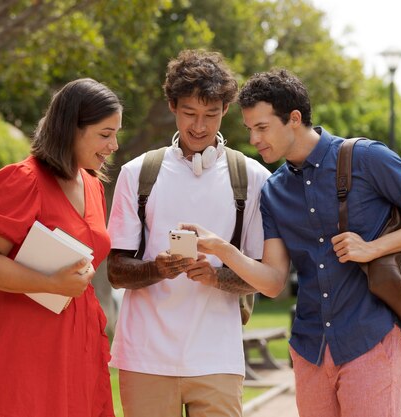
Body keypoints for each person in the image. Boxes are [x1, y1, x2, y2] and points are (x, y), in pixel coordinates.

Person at [181, 69, 401, 417]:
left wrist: (373, 248)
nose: (253, 138)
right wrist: (223, 249)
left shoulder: (366, 158)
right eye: (250, 128)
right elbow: (272, 281)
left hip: (368, 338)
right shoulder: (274, 190)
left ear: (294, 119)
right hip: (309, 347)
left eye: (262, 127)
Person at [106, 49, 271, 417]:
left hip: (218, 358)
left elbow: (262, 275)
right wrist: (157, 269)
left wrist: (216, 276)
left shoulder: (253, 178)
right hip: (145, 358)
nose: (200, 126)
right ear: (171, 106)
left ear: (225, 110)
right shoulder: (137, 173)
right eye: (189, 114)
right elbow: (116, 271)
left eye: (211, 115)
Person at [0, 78, 121, 417]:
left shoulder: (91, 185)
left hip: (78, 339)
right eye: (105, 134)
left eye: (117, 133)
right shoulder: (22, 180)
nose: (114, 145)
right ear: (69, 128)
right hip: (25, 342)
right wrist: (52, 284)